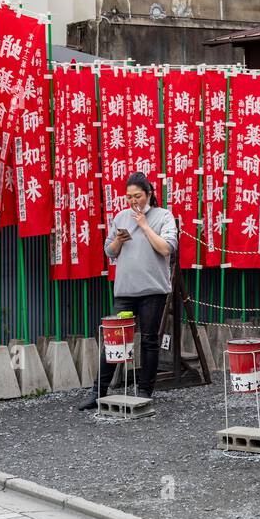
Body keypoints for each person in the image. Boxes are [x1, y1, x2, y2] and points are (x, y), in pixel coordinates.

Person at [90, 172, 177, 402]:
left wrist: (145, 226)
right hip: (125, 290)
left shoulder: (163, 216)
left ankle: (145, 391)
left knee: (148, 340)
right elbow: (109, 251)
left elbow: (166, 248)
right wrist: (119, 240)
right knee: (114, 339)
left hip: (153, 290)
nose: (133, 201)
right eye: (129, 197)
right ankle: (98, 391)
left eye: (137, 196)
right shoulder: (120, 216)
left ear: (149, 194)